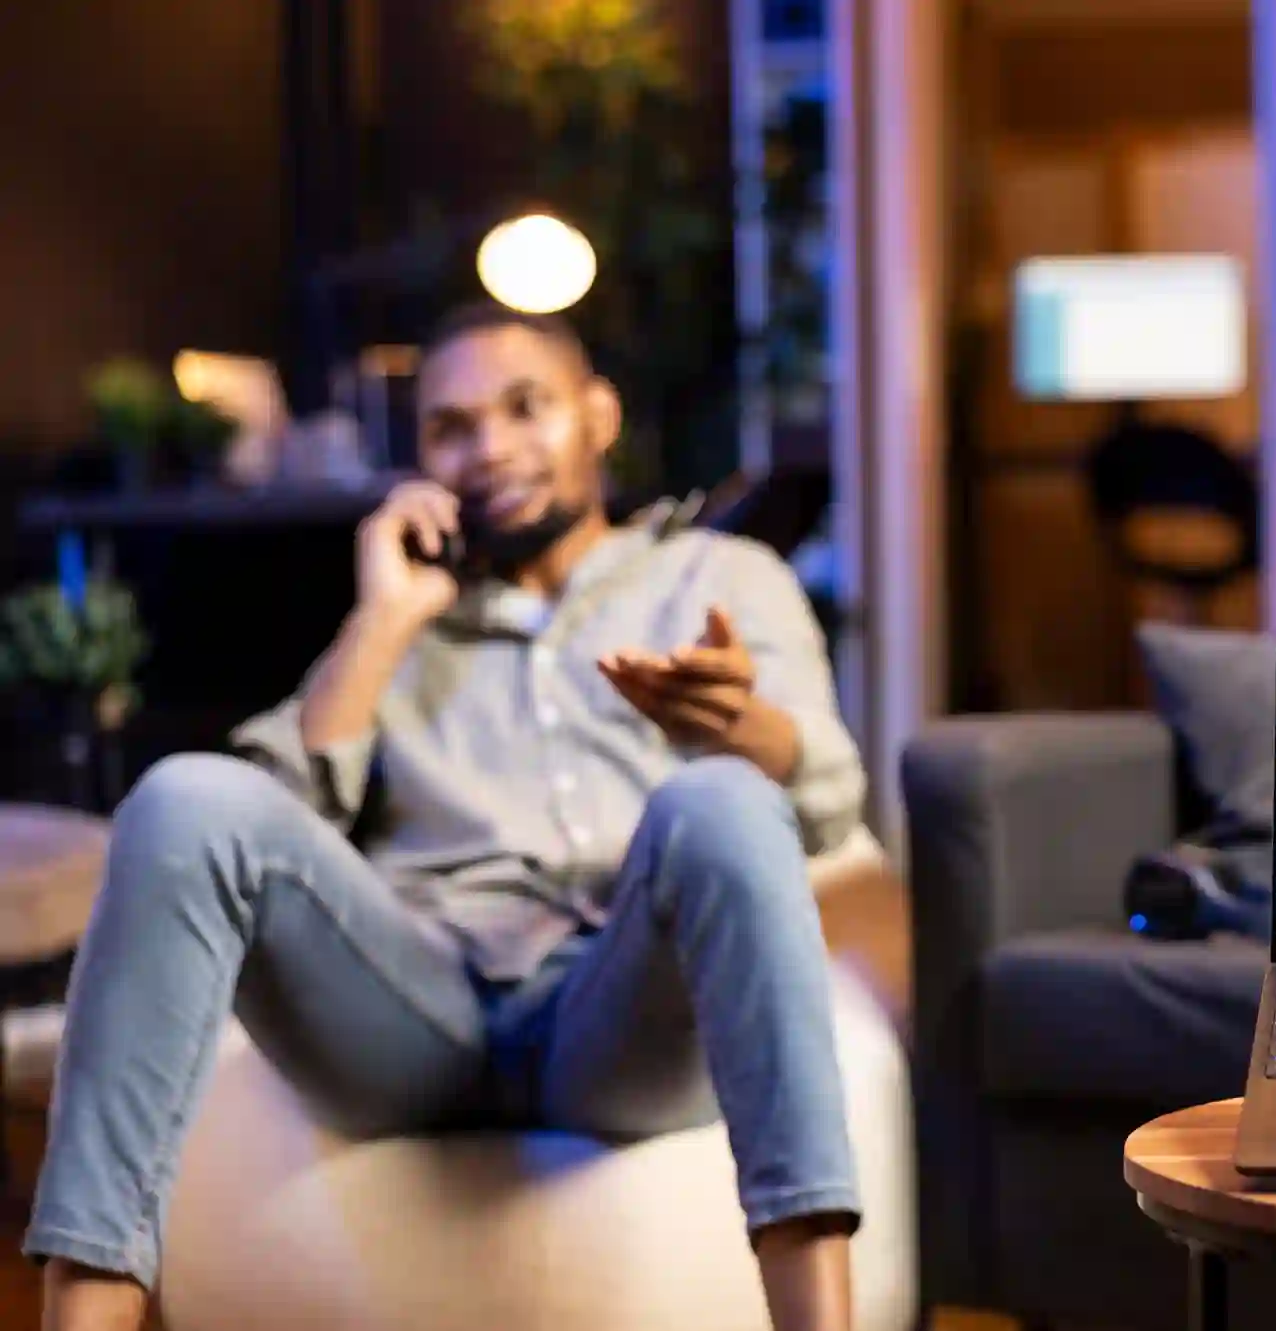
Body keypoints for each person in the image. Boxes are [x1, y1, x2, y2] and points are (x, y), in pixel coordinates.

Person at [27, 302, 868, 1331]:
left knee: (723, 795)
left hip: (623, 1010)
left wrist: (744, 729)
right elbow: (238, 836)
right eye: (451, 428)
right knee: (179, 794)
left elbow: (829, 798)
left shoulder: (720, 577)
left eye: (525, 407)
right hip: (411, 1014)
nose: (491, 448)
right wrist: (385, 621)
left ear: (598, 416)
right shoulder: (400, 616)